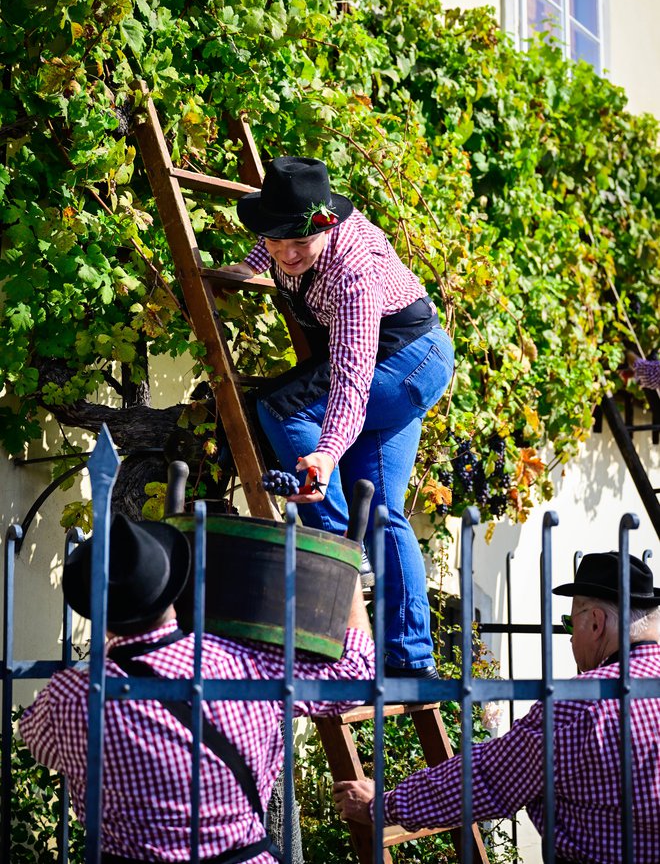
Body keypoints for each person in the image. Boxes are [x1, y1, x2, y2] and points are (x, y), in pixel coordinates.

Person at [20, 513, 375, 864]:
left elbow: (39, 744)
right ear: (176, 585)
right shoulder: (246, 664)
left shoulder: (71, 697)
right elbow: (357, 677)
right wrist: (350, 581)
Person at [220, 156, 454, 678]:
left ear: (326, 223)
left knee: (284, 407)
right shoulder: (287, 236)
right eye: (276, 243)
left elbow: (349, 379)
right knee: (384, 510)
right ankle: (410, 658)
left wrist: (325, 455)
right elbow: (277, 235)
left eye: (298, 242)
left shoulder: (352, 274)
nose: (288, 253)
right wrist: (251, 265)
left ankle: (335, 547)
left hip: (404, 357)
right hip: (416, 360)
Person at [333, 551, 660, 864]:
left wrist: (382, 805)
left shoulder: (583, 703)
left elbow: (487, 779)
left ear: (596, 623)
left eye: (569, 624)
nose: (571, 639)